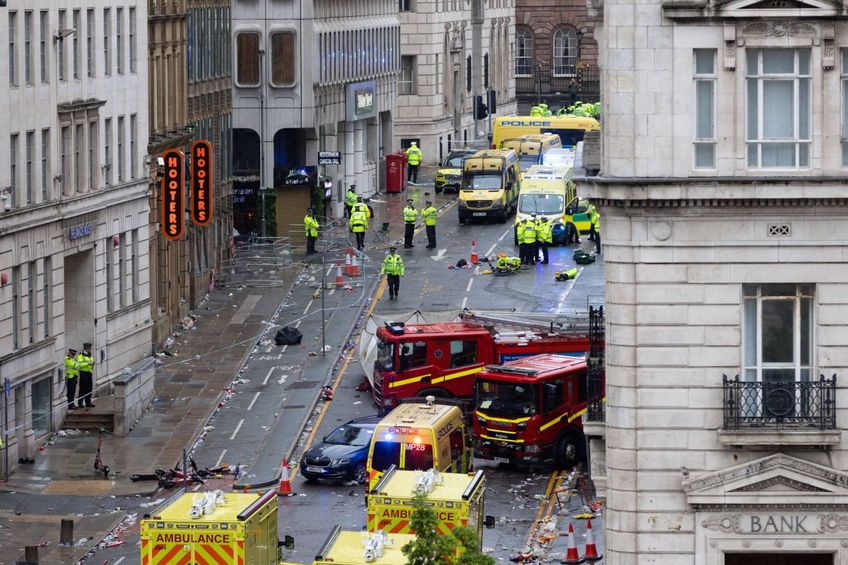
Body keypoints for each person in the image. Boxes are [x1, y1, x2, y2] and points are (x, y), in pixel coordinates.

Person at [76, 343, 95, 408]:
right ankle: (80, 402)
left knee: (89, 388)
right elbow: (79, 364)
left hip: (89, 373)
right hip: (83, 373)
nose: (90, 350)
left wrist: (92, 364)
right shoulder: (81, 355)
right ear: (86, 348)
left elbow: (91, 362)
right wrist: (88, 363)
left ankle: (88, 402)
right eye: (89, 348)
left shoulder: (89, 355)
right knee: (83, 388)